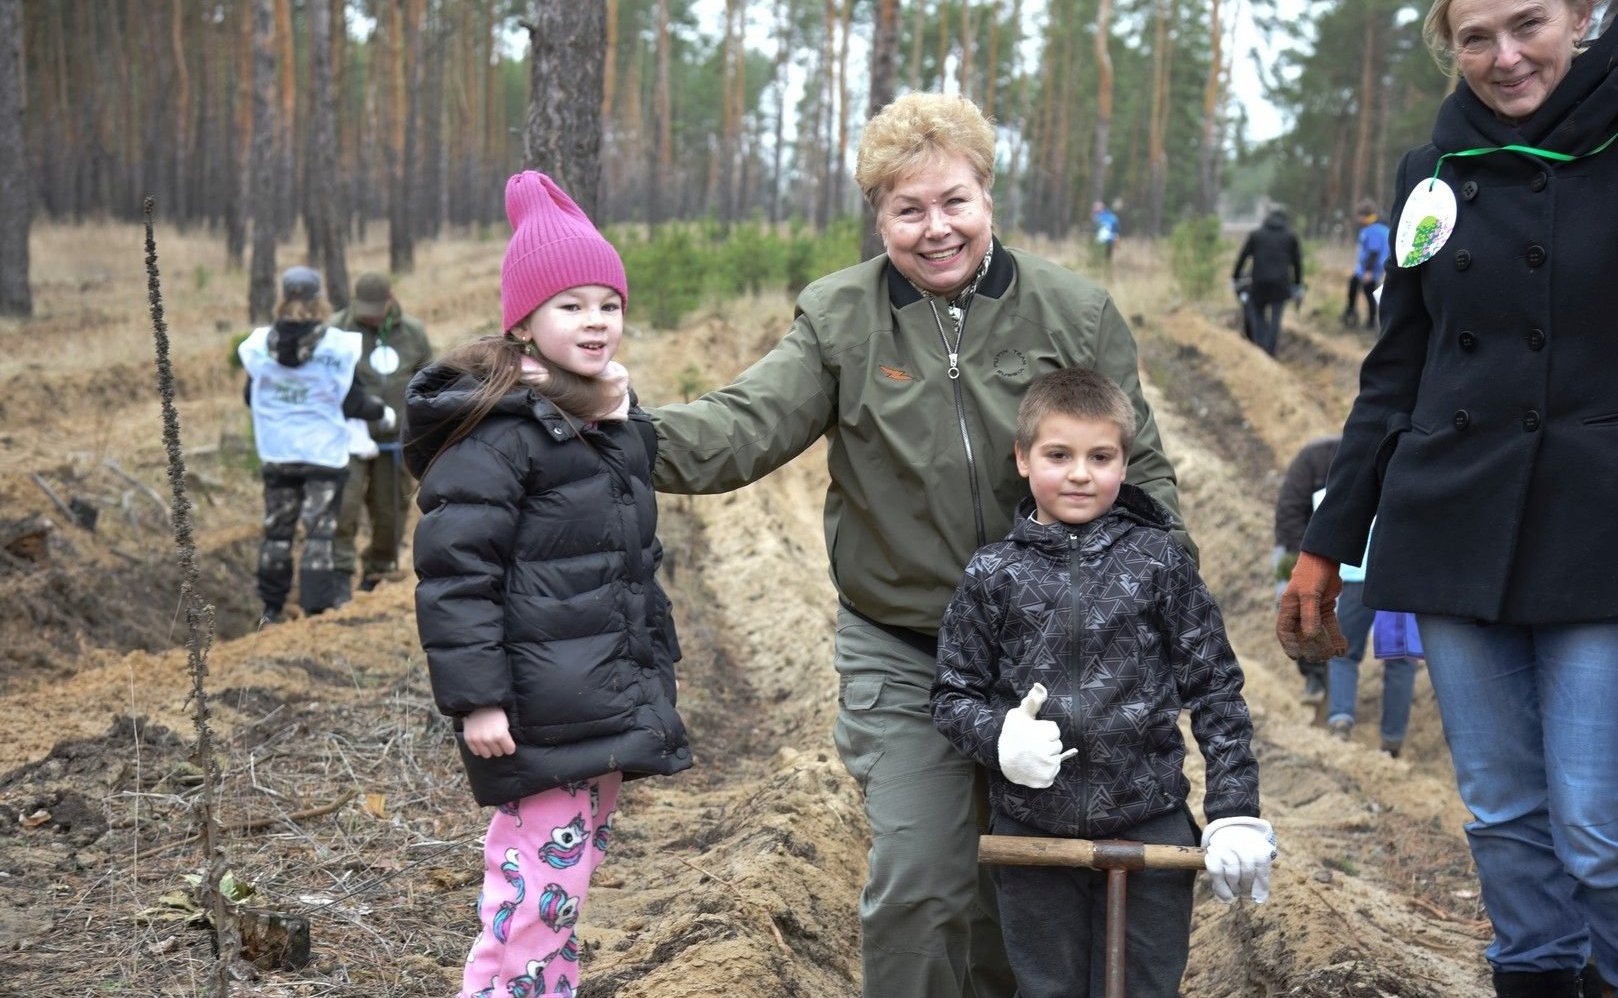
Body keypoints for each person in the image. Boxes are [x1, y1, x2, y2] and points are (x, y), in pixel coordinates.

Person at [647, 91, 1192, 998]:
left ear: (989, 197)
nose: (935, 229)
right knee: (920, 875)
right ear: (878, 218)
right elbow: (740, 427)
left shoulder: (1074, 313)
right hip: (908, 654)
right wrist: (615, 434)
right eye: (908, 210)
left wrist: (1150, 604)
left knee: (1031, 890)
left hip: (1056, 656)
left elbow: (1145, 477)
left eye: (954, 202)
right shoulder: (840, 318)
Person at [1276, 0, 1618, 992]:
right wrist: (1326, 544)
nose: (1505, 57)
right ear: (1447, 45)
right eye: (1476, 37)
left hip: (1595, 527)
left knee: (1595, 824)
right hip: (1455, 519)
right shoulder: (1431, 172)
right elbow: (1395, 370)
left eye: (1528, 25)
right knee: (1504, 816)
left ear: (1579, 17)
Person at [405, 170, 690, 998]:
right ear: (523, 324)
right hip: (535, 711)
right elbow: (456, 578)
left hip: (595, 700)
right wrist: (478, 700)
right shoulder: (499, 439)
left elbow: (630, 570)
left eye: (609, 302)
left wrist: (652, 673)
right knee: (533, 894)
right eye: (571, 305)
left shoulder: (602, 428)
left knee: (561, 896)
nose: (597, 320)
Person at [930, 368, 1270, 998]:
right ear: (1024, 459)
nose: (1080, 473)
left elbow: (1217, 690)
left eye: (1100, 456)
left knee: (1145, 985)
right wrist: (1000, 737)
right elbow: (953, 694)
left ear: (1125, 462)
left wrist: (1234, 813)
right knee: (1048, 987)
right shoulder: (993, 573)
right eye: (1059, 455)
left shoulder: (1158, 561)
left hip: (1149, 820)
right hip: (1033, 829)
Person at [237, 266, 390, 625]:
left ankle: (271, 609)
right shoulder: (336, 347)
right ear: (320, 299)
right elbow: (353, 403)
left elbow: (250, 396)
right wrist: (382, 413)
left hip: (278, 453)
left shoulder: (259, 346)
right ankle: (316, 609)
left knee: (278, 531)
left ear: (283, 298)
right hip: (323, 455)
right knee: (319, 533)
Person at [329, 272, 433, 599]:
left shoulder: (413, 333)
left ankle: (378, 567)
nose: (371, 315)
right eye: (366, 309)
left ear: (391, 298)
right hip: (348, 437)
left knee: (390, 513)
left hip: (396, 439)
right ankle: (337, 576)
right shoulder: (336, 330)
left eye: (377, 308)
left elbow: (429, 380)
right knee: (343, 507)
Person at [1324, 511, 1419, 758]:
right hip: (1402, 576)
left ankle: (1340, 720)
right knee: (1400, 661)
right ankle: (1392, 741)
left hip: (1358, 574)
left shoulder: (1360, 470)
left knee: (1343, 653)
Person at [1274, 435, 1340, 704]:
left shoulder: (1364, 463)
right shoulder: (1310, 462)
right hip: (1295, 543)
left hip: (1339, 549)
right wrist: (1308, 560)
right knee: (1294, 608)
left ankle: (1336, 677)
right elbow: (1289, 513)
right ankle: (1313, 675)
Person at [1231, 208, 1303, 357]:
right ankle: (1270, 351)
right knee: (1276, 318)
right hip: (1281, 284)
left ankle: (1259, 348)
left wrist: (1235, 276)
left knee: (1256, 314)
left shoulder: (1256, 235)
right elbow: (1297, 263)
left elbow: (1243, 257)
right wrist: (1297, 283)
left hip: (1259, 282)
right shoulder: (1290, 236)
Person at [1341, 199, 1390, 329]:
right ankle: (1353, 313)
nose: (1357, 218)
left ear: (1364, 215)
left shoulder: (1373, 230)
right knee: (1355, 285)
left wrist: (1368, 271)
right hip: (1366, 268)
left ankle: (1370, 322)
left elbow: (1374, 252)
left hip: (1370, 269)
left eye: (1359, 215)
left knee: (1369, 293)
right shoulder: (1379, 228)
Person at [1091, 199, 1120, 266]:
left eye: (1095, 207)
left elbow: (1115, 231)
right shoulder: (1112, 216)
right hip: (1107, 241)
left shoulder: (1098, 217)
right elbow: (1116, 230)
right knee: (1106, 260)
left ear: (1101, 208)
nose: (1093, 209)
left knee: (1101, 260)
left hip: (1103, 241)